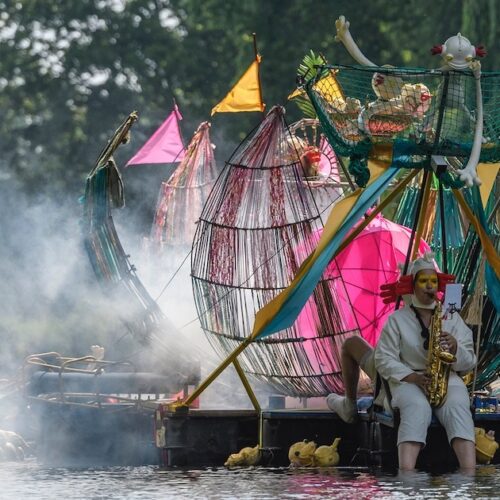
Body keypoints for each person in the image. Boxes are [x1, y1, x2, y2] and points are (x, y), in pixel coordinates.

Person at [327, 253, 477, 472]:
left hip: (447, 377)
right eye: (423, 281)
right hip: (408, 379)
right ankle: (407, 477)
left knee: (458, 406)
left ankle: (469, 475)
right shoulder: (397, 320)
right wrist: (412, 377)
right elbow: (383, 359)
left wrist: (455, 348)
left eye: (433, 281)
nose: (429, 286)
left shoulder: (451, 318)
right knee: (416, 406)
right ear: (413, 286)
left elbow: (469, 360)